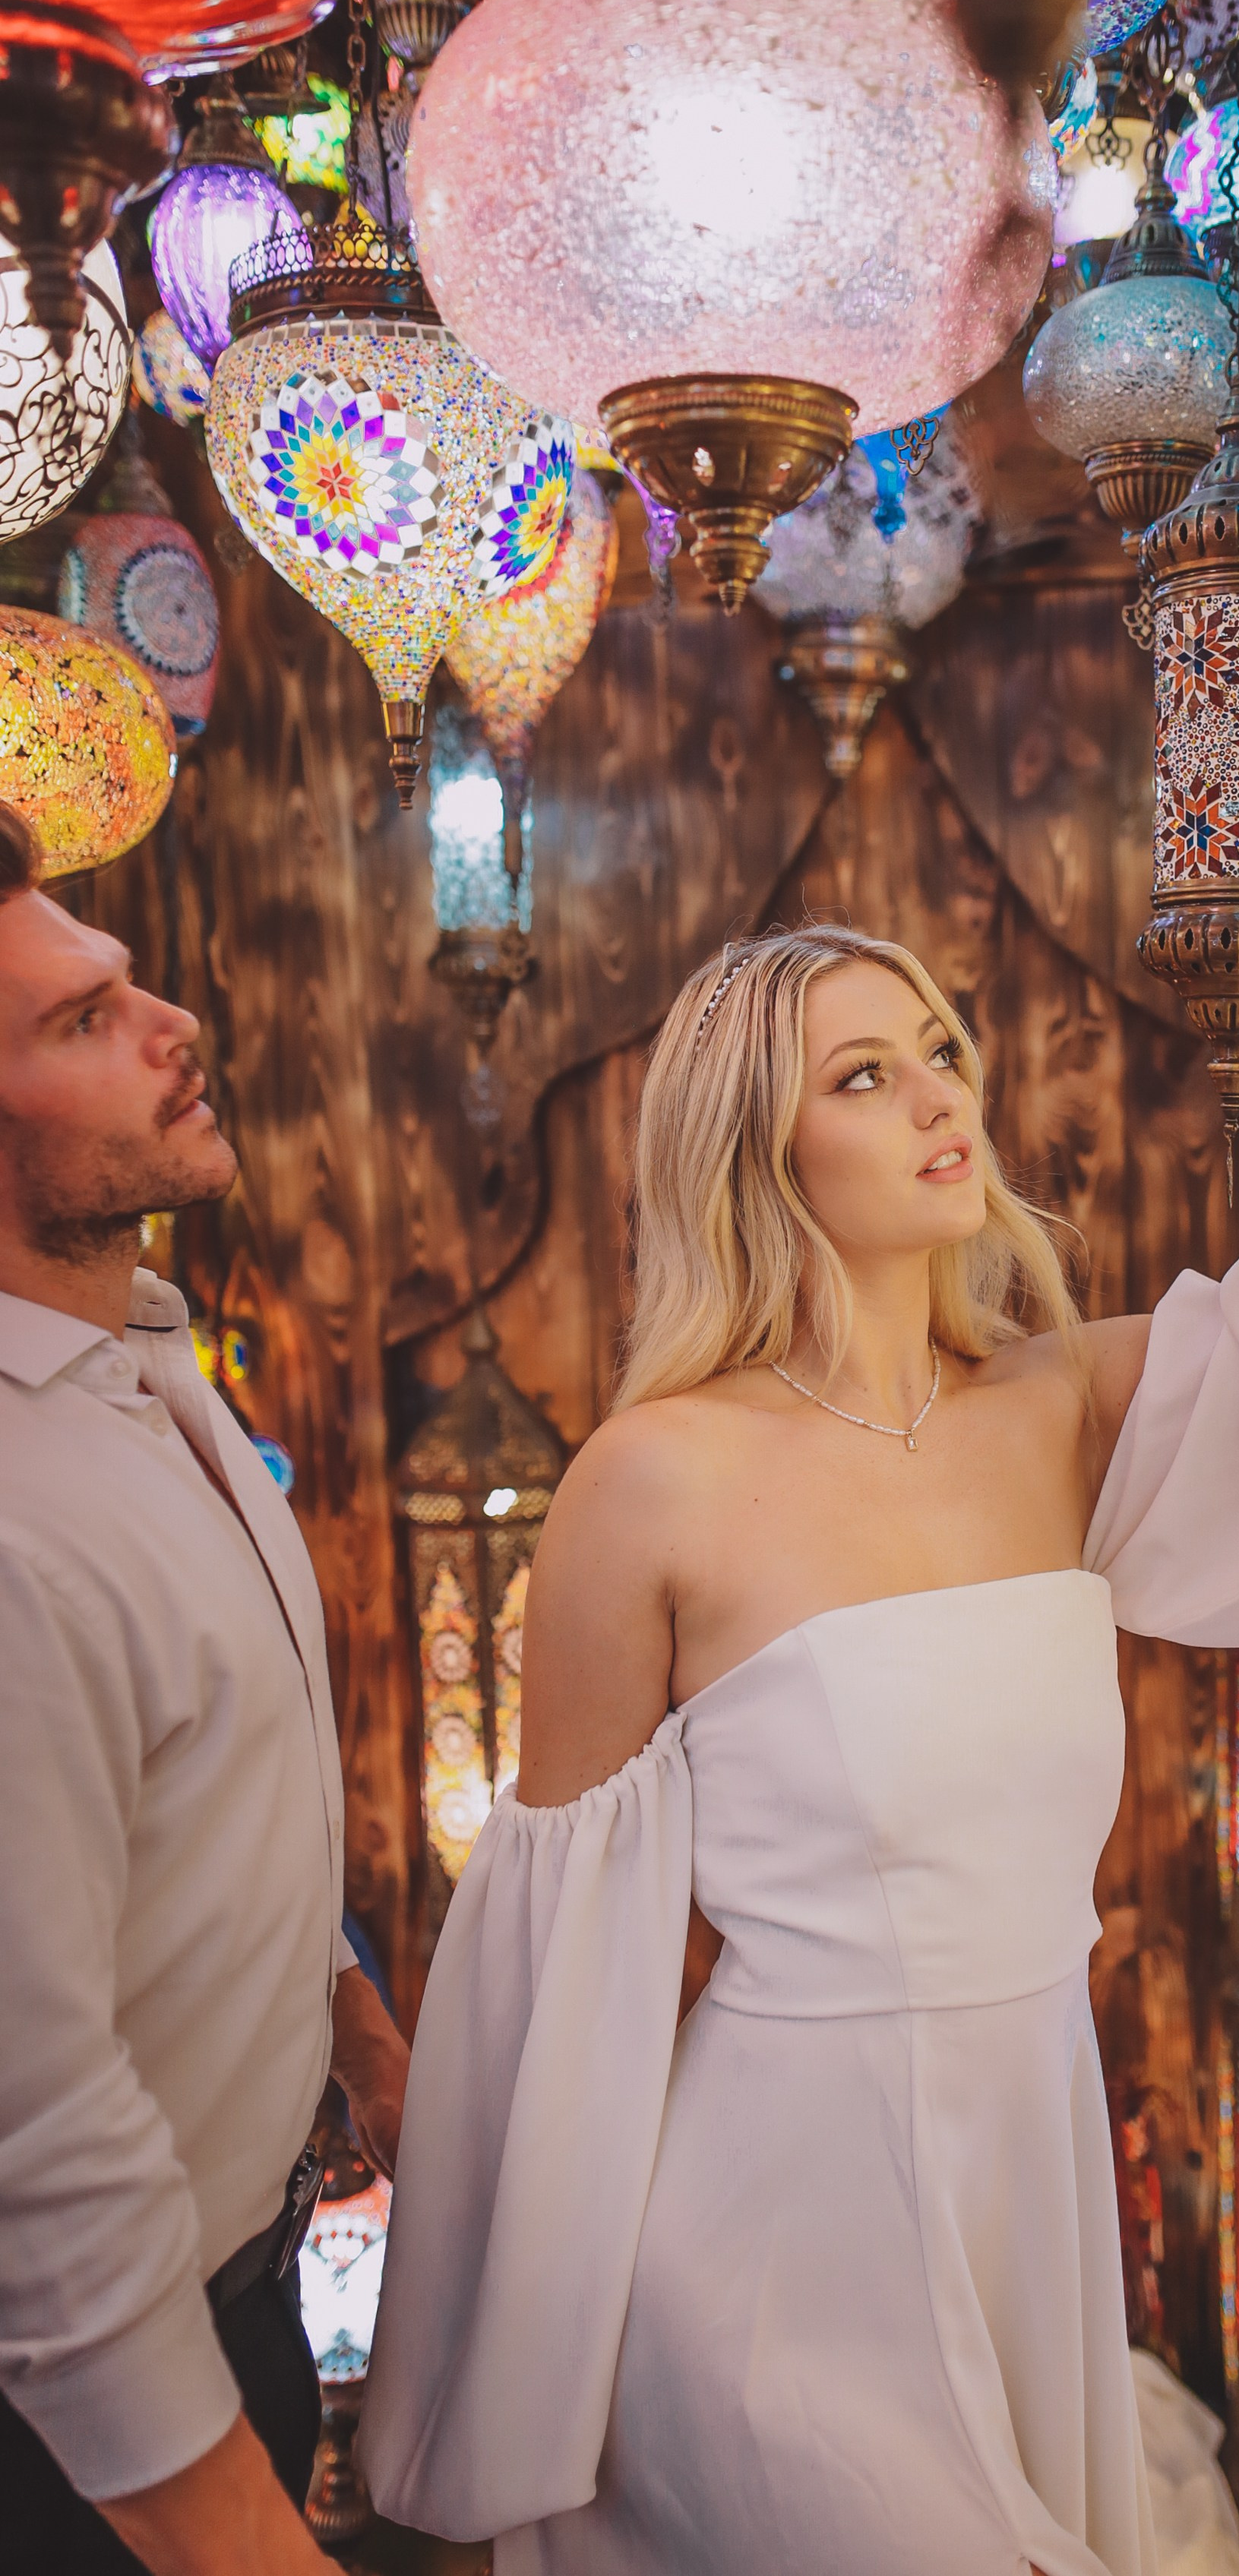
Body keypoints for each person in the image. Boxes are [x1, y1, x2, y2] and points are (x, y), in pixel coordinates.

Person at [360, 678, 1239, 2575]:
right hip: (774, 2225)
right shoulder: (653, 1479)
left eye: (934, 1049)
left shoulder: (1063, 1405)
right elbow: (562, 1948)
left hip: (1022, 2170)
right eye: (863, 1074)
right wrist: (509, 2370)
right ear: (755, 1153)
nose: (941, 1092)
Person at [0, 805, 411, 2576]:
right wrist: (232, 2536)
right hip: (87, 2434)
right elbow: (34, 2128)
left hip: (248, 2287)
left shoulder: (141, 1351)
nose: (169, 1020)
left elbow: (211, 1785)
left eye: (122, 983)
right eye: (79, 1023)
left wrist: (353, 2020)